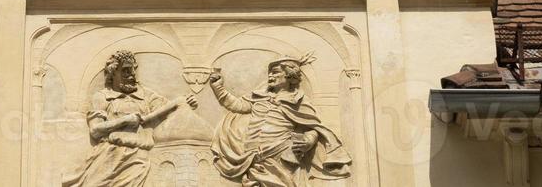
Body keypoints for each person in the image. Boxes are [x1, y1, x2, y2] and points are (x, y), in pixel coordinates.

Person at [65, 50, 199, 187]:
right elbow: (95, 130)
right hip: (109, 158)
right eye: (126, 71)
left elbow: (169, 109)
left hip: (139, 160)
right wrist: (125, 120)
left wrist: (187, 102)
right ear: (113, 73)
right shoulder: (102, 96)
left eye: (133, 70)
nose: (132, 75)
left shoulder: (146, 95)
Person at [209, 57, 351, 186]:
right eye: (270, 73)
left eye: (275, 72)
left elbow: (312, 127)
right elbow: (237, 105)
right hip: (253, 158)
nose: (270, 76)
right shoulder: (258, 97)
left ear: (289, 75)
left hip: (281, 156)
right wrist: (218, 87)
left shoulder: (298, 100)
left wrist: (308, 142)